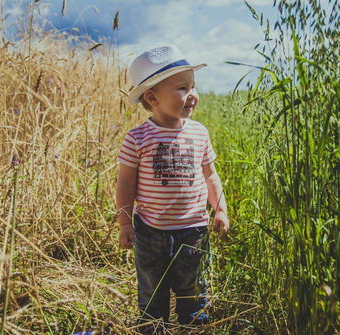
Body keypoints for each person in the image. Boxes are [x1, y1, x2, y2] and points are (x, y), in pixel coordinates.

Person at [116, 45, 229, 334]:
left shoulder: (199, 132)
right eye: (182, 88)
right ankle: (154, 326)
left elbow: (210, 175)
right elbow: (126, 182)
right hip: (150, 231)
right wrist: (124, 222)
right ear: (152, 98)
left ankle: (193, 325)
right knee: (152, 288)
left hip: (193, 229)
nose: (192, 94)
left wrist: (220, 209)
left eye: (193, 86)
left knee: (192, 285)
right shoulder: (137, 138)